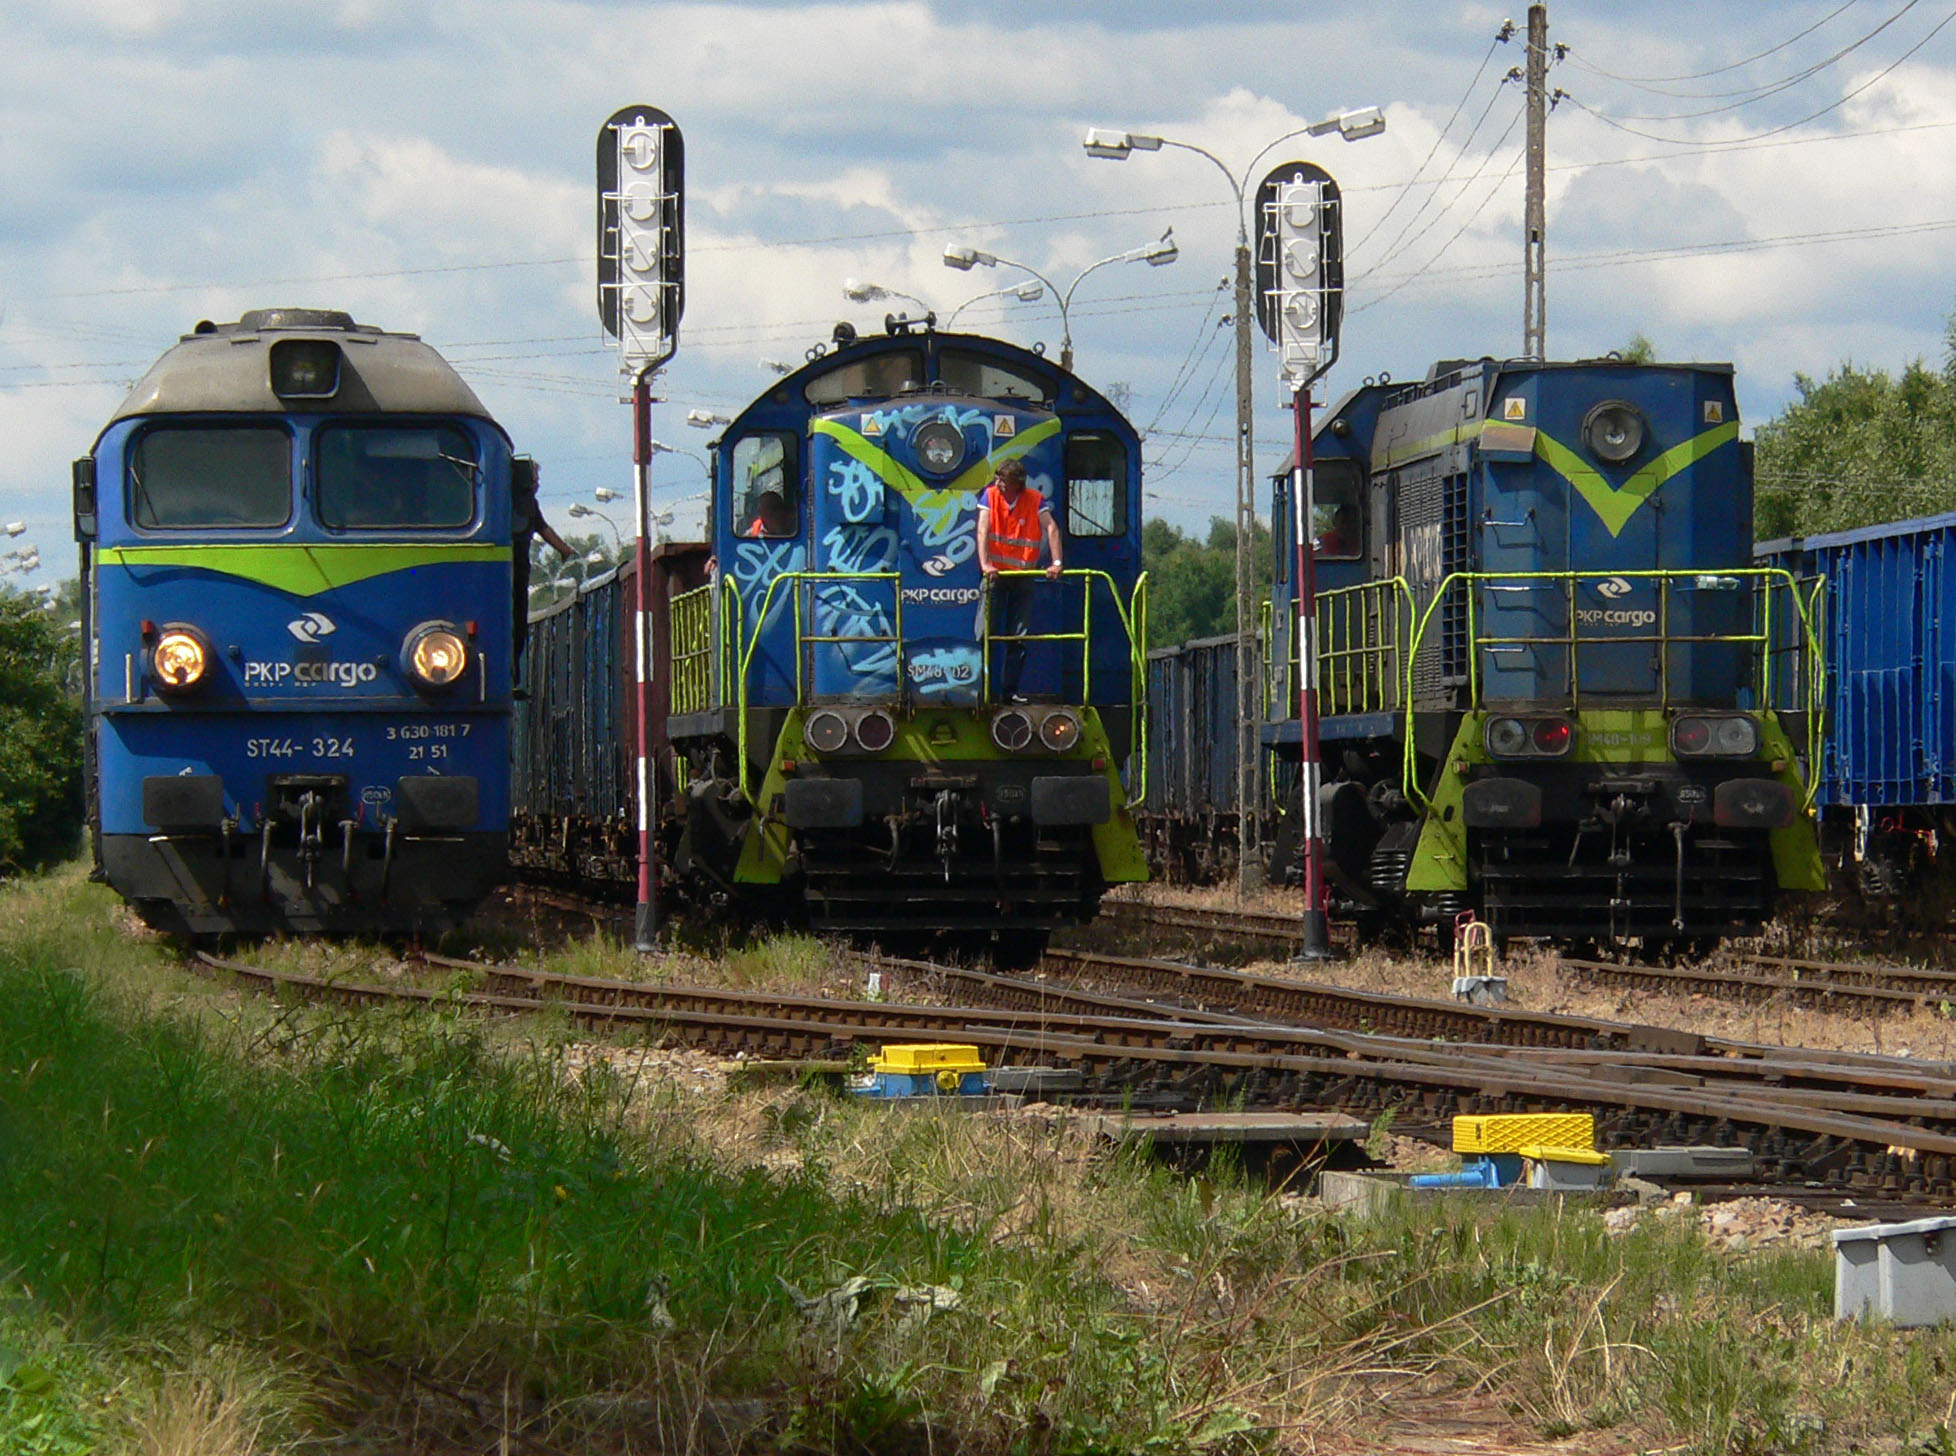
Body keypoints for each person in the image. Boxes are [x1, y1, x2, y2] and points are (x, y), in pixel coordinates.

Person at [974, 457, 1063, 701]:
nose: (998, 483)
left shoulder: (1035, 500)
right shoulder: (989, 496)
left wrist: (1056, 562)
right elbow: (982, 529)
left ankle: (1009, 692)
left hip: (1023, 577)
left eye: (1003, 480)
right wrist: (985, 564)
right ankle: (983, 691)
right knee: (985, 633)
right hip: (995, 577)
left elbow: (1051, 528)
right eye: (998, 478)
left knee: (1018, 636)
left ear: (1017, 482)